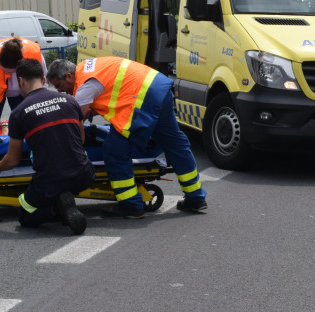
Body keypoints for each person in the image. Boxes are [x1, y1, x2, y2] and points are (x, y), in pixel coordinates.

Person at [47, 57, 207, 218]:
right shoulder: (89, 67)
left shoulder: (85, 85)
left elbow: (74, 120)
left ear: (69, 76)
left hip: (141, 98)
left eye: (60, 86)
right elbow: (108, 92)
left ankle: (131, 205)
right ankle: (196, 197)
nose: (61, 91)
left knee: (114, 151)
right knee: (175, 144)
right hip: (158, 87)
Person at [0, 58, 94, 235]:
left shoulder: (18, 113)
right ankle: (63, 199)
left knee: (25, 215)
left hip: (51, 180)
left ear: (21, 81)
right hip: (84, 175)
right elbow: (80, 139)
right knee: (60, 186)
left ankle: (58, 210)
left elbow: (12, 160)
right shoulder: (70, 100)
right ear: (44, 80)